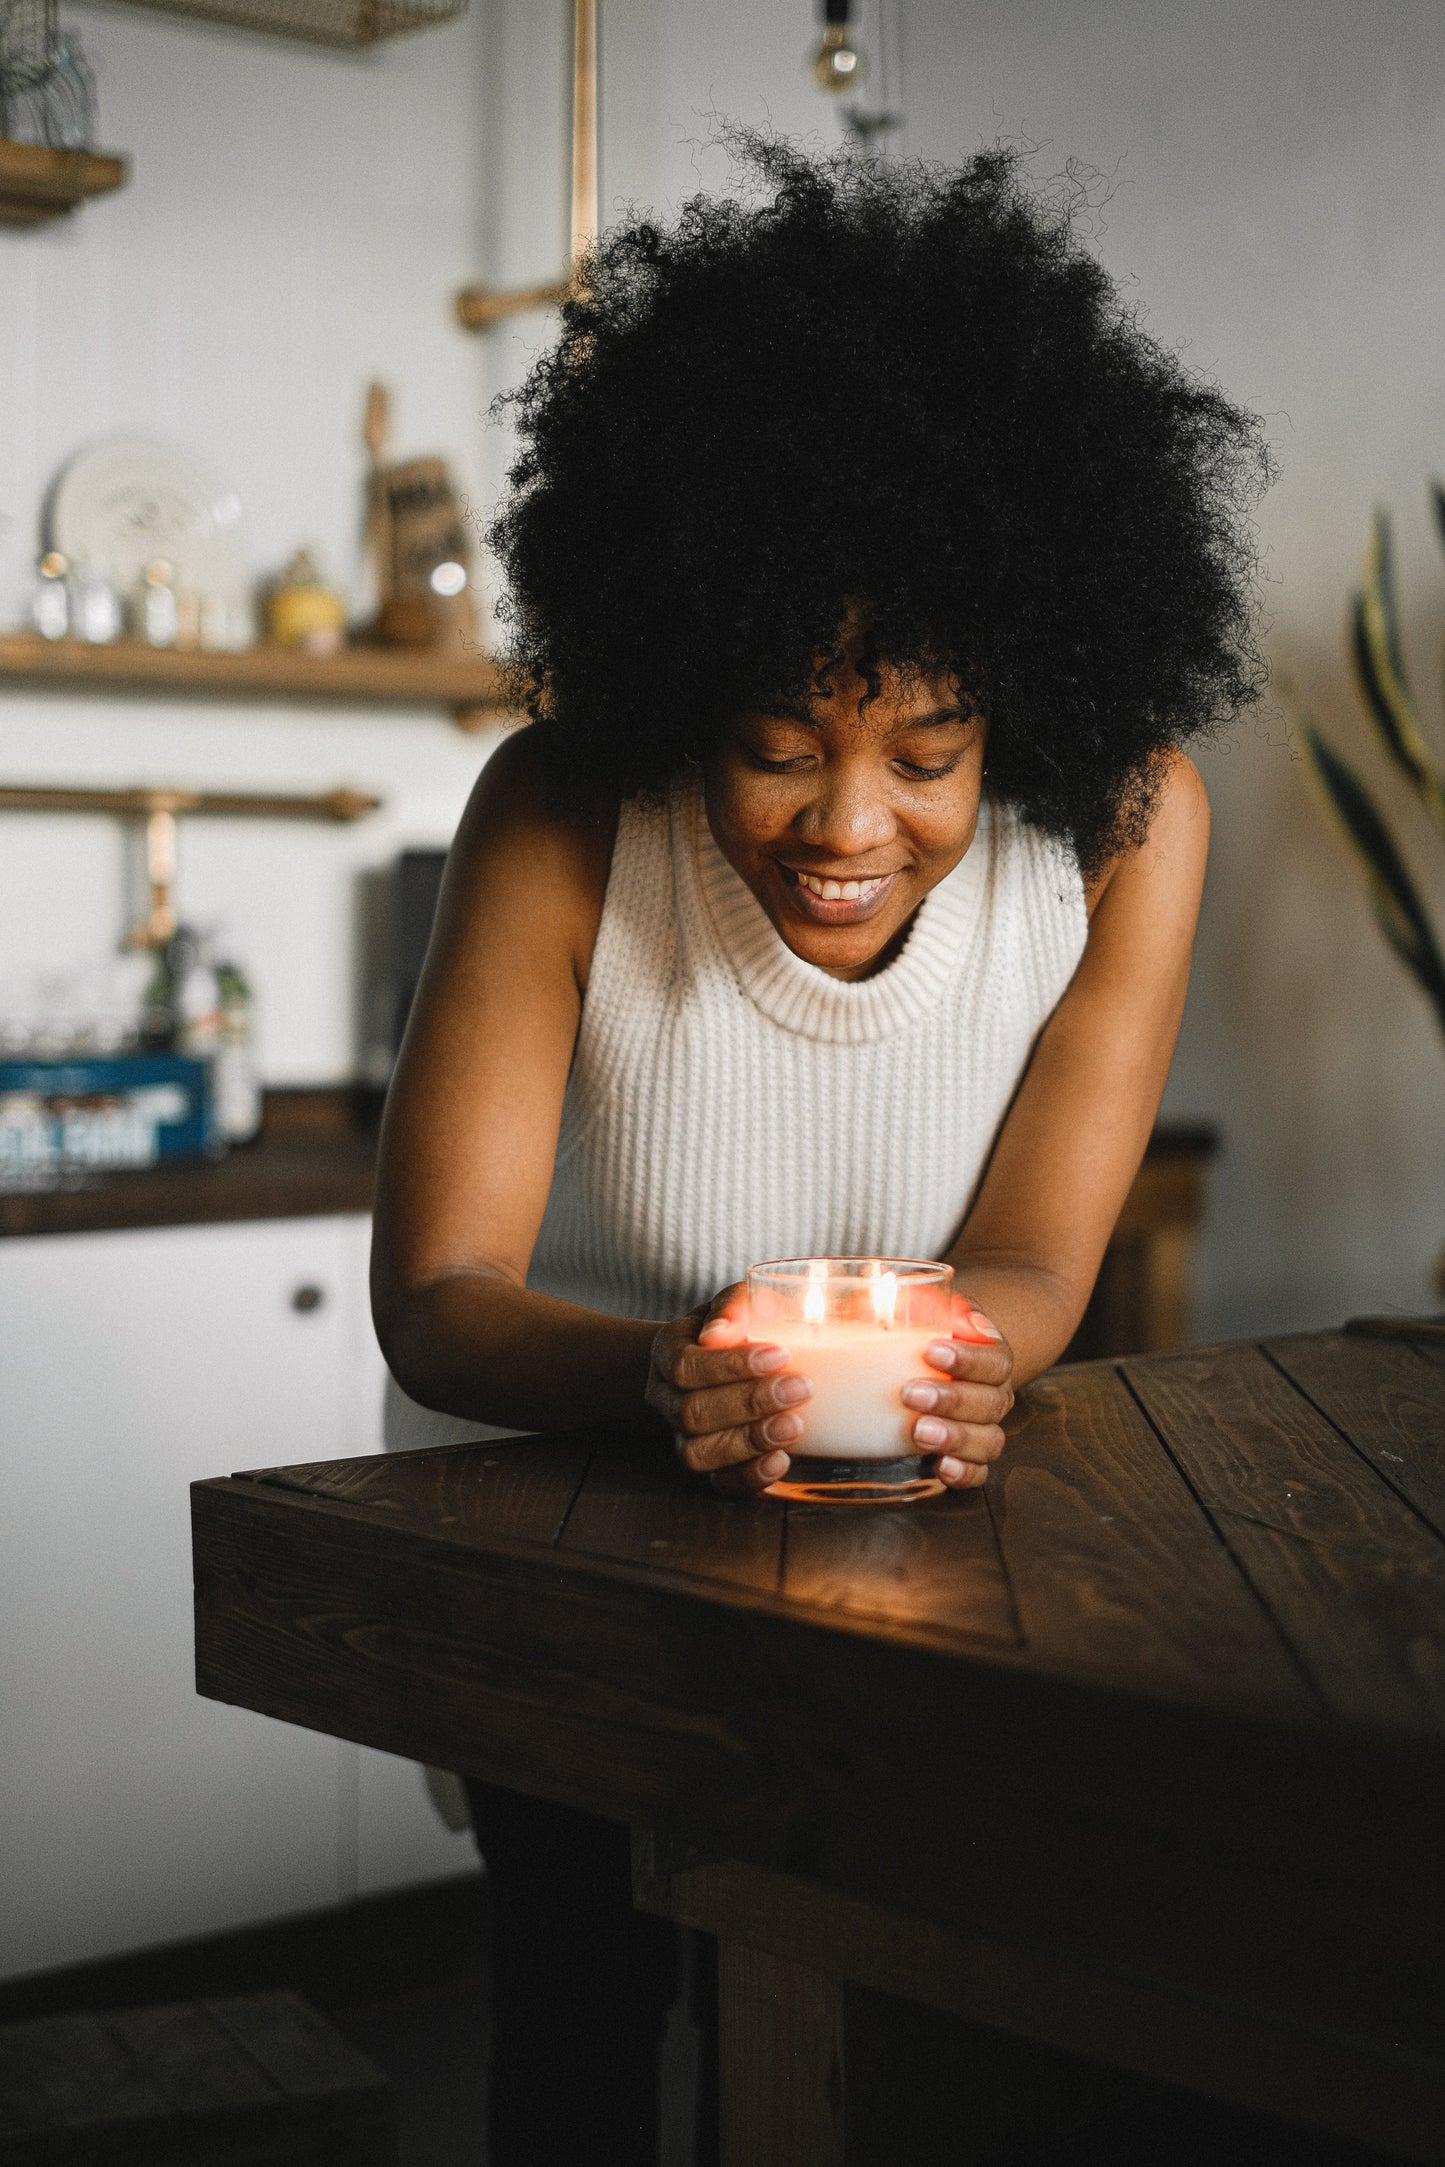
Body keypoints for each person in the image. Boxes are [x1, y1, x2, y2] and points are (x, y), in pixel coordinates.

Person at [370, 136, 1269, 2166]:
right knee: (582, 2022)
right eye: (779, 742)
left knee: (887, 2023)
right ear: (683, 679)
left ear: (1025, 709)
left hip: (888, 1544)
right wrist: (667, 1372)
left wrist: (974, 1365)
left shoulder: (1128, 823)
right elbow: (433, 1300)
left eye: (931, 753)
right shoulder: (565, 811)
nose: (850, 823)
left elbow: (1039, 1258)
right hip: (557, 1533)